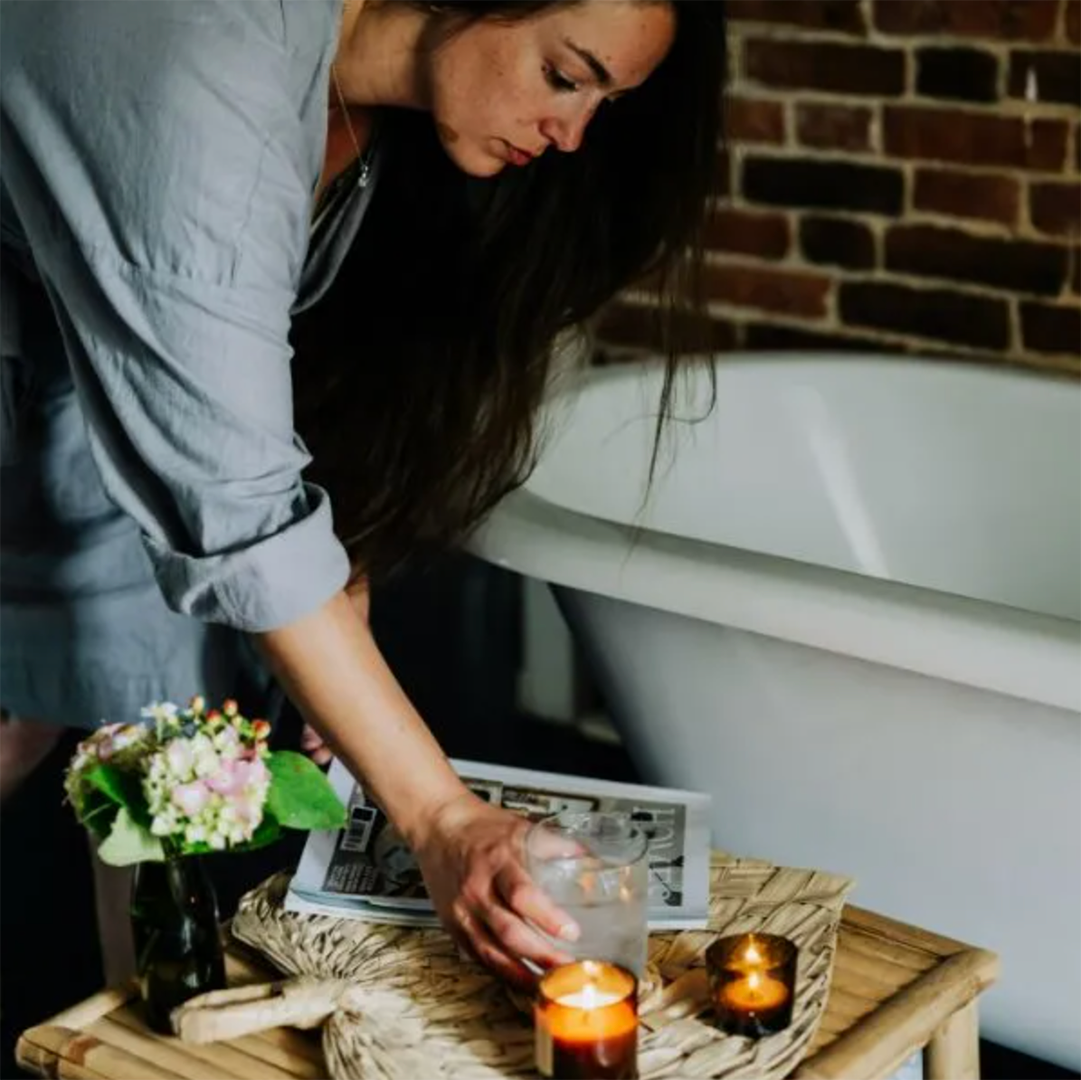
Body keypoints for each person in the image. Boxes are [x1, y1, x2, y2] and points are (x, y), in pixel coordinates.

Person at [0, 0, 725, 989]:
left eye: (605, 100)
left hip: (83, 406)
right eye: (564, 75)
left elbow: (270, 377)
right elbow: (237, 502)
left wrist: (340, 580)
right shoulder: (200, 74)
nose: (571, 134)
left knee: (134, 762)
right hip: (54, 396)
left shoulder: (374, 108)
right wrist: (441, 819)